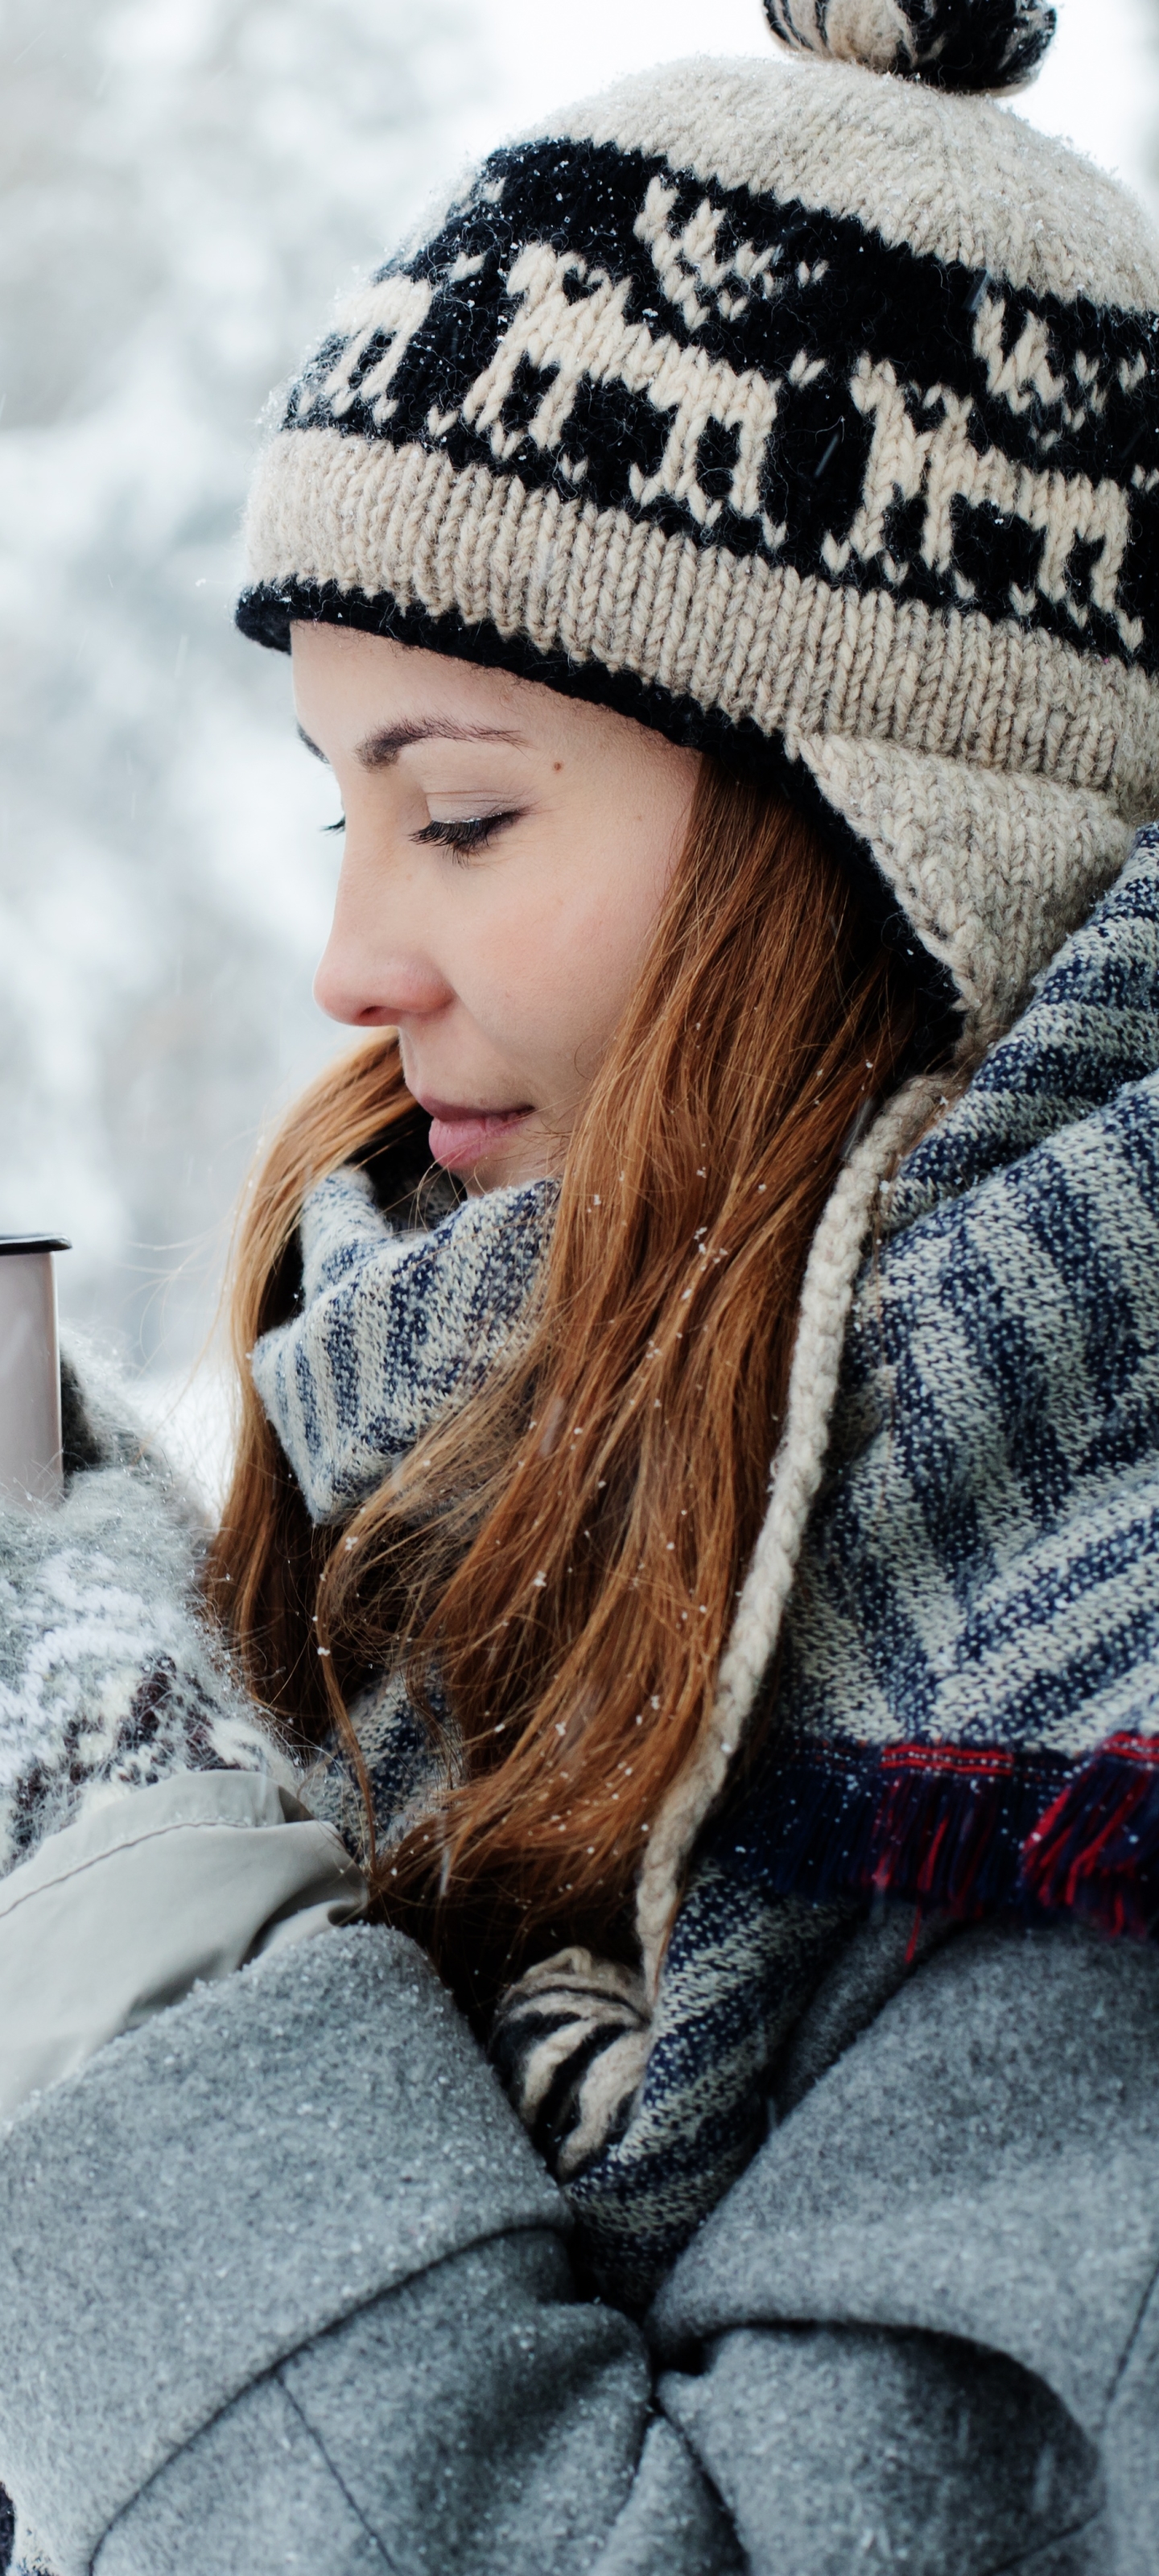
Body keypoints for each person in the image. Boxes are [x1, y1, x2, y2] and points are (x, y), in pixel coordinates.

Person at [2, 0, 1159, 2565]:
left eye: (463, 812)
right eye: (338, 812)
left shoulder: (1086, 1762)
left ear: (891, 842)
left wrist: (95, 1825)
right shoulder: (499, 1499)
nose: (345, 965)